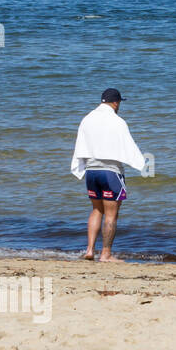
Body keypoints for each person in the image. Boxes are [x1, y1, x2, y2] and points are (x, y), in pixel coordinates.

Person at [71, 87, 147, 262]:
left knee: (97, 209)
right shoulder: (117, 121)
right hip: (110, 172)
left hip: (91, 171)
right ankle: (106, 254)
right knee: (111, 214)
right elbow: (129, 145)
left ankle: (90, 250)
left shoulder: (87, 119)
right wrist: (142, 164)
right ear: (116, 102)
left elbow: (80, 144)